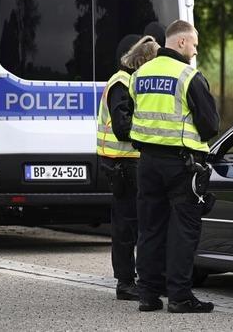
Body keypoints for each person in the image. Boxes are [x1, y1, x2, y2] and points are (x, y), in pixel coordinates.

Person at [129, 20, 219, 313]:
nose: (195, 50)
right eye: (194, 43)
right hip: (181, 165)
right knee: (183, 229)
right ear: (180, 42)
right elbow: (210, 125)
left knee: (150, 228)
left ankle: (147, 294)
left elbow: (134, 114)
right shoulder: (187, 76)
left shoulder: (139, 74)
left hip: (147, 163)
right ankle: (179, 297)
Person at [97, 35, 160, 300]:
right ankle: (125, 282)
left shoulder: (128, 81)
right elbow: (123, 129)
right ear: (143, 61)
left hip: (125, 161)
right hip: (121, 162)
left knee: (132, 222)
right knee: (126, 224)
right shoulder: (121, 84)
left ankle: (132, 279)